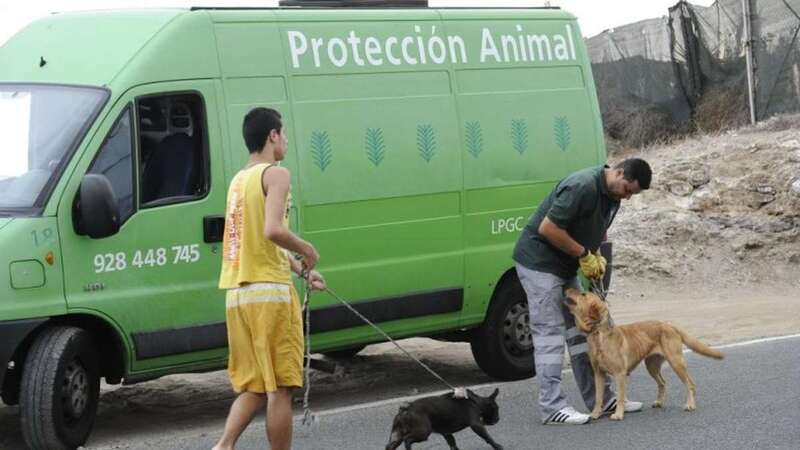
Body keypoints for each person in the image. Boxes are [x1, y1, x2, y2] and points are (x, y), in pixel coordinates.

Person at [214, 107, 325, 450]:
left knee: (256, 387)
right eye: (284, 133)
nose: (287, 141)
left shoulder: (238, 181)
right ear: (272, 135)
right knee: (281, 387)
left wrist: (299, 268)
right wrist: (308, 250)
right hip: (270, 297)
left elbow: (259, 241)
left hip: (238, 295)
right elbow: (274, 230)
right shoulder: (276, 175)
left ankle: (223, 446)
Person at [512, 158, 652, 425]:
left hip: (565, 265)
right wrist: (583, 254)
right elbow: (548, 228)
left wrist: (596, 255)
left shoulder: (613, 195)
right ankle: (552, 407)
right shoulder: (582, 186)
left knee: (584, 331)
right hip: (539, 264)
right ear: (619, 172)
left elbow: (598, 228)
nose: (628, 197)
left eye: (633, 193)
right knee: (550, 334)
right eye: (628, 190)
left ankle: (601, 400)